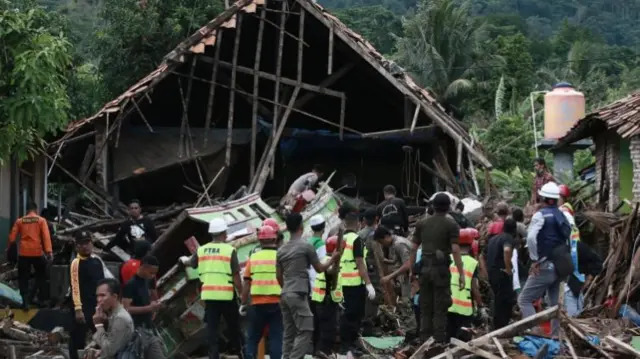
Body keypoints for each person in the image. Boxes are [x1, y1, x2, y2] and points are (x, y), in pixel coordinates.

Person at [276, 213, 340, 359]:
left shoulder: (281, 250)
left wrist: (286, 288)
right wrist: (334, 258)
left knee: (289, 333)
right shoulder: (306, 247)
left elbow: (278, 276)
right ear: (302, 227)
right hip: (298, 293)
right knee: (306, 330)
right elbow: (320, 268)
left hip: (285, 294)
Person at [182, 218, 242, 359]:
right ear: (224, 233)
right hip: (227, 296)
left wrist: (184, 260)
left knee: (212, 328)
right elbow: (236, 277)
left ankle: (213, 355)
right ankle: (239, 352)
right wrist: (241, 295)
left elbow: (192, 264)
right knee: (233, 325)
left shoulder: (201, 250)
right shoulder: (229, 250)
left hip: (209, 296)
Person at [518, 182, 572, 336]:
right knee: (556, 305)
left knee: (524, 300)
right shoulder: (563, 215)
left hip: (545, 265)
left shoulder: (540, 215)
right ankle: (556, 337)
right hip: (561, 265)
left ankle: (534, 333)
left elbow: (531, 239)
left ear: (543, 198)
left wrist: (535, 260)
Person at [410, 193, 464, 345]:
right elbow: (455, 249)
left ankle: (424, 341)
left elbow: (413, 248)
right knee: (440, 308)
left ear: (432, 206)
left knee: (425, 307)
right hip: (440, 271)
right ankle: (438, 343)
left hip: (424, 270)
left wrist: (411, 271)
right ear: (448, 207)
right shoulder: (451, 225)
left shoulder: (421, 223)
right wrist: (461, 274)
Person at [558, 185, 603, 317]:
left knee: (572, 319)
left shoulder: (573, 247)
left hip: (572, 288)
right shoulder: (573, 246)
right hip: (573, 287)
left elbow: (597, 263)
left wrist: (587, 278)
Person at [241, 226, 283, 359]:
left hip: (257, 304)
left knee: (253, 338)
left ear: (260, 241)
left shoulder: (253, 258)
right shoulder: (281, 257)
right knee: (277, 337)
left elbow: (246, 282)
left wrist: (243, 303)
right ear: (275, 239)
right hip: (278, 303)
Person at [339, 210, 375, 355]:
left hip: (342, 282)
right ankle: (348, 345)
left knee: (346, 315)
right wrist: (369, 284)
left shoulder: (341, 239)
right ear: (359, 224)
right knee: (354, 316)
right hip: (354, 284)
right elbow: (360, 262)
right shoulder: (357, 239)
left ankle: (346, 344)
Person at [7, 201, 52, 308]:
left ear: (26, 211)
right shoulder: (41, 220)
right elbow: (46, 237)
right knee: (41, 275)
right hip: (37, 253)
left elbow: (12, 238)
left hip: (24, 253)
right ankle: (40, 299)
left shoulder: (20, 221)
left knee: (23, 278)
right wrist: (49, 252)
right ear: (36, 210)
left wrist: (9, 250)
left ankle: (25, 302)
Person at [69, 232, 106, 359]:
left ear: (92, 243)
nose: (85, 246)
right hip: (82, 307)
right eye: (81, 244)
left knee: (100, 338)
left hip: (96, 306)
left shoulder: (97, 262)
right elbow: (75, 287)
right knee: (78, 339)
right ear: (76, 247)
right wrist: (78, 310)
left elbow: (103, 284)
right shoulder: (75, 263)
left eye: (87, 243)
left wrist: (103, 306)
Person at [375, 225, 417, 334]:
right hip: (405, 278)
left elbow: (407, 264)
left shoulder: (399, 244)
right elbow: (396, 261)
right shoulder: (394, 244)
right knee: (405, 304)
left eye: (381, 241)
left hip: (410, 278)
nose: (382, 244)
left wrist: (389, 276)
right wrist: (384, 260)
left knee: (406, 304)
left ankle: (411, 332)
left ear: (386, 237)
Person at [122, 255, 165, 358]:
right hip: (136, 331)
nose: (153, 275)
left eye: (155, 273)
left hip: (148, 328)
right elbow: (125, 309)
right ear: (143, 268)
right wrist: (149, 308)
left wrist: (154, 306)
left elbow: (148, 298)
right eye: (151, 272)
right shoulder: (131, 285)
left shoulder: (147, 280)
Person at [447, 228, 484, 341]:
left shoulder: (448, 258)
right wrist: (481, 306)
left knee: (449, 337)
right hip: (464, 308)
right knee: (464, 340)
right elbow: (474, 288)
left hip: (447, 304)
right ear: (471, 245)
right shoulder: (473, 263)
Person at [311, 236, 343, 357]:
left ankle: (317, 352)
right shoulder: (328, 260)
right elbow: (330, 271)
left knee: (319, 329)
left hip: (322, 300)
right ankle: (323, 352)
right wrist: (335, 261)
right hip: (325, 301)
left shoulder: (324, 259)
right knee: (327, 330)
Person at [487, 219, 518, 329]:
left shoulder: (493, 239)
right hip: (501, 273)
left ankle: (495, 325)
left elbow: (482, 255)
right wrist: (508, 269)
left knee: (497, 300)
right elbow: (507, 250)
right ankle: (502, 327)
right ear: (514, 230)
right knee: (506, 300)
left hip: (492, 273)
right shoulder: (508, 238)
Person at [92, 278, 134, 359]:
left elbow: (109, 350)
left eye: (102, 295)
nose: (98, 300)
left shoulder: (121, 318)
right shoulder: (113, 314)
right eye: (97, 296)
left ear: (114, 296)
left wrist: (98, 325)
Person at [360, 208, 382, 336]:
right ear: (376, 219)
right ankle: (368, 327)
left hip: (360, 269)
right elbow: (378, 255)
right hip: (372, 270)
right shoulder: (374, 234)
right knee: (373, 297)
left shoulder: (359, 234)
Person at [308, 214, 326, 293]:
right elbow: (323, 265)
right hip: (317, 281)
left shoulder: (309, 241)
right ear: (324, 228)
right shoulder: (320, 244)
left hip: (308, 280)